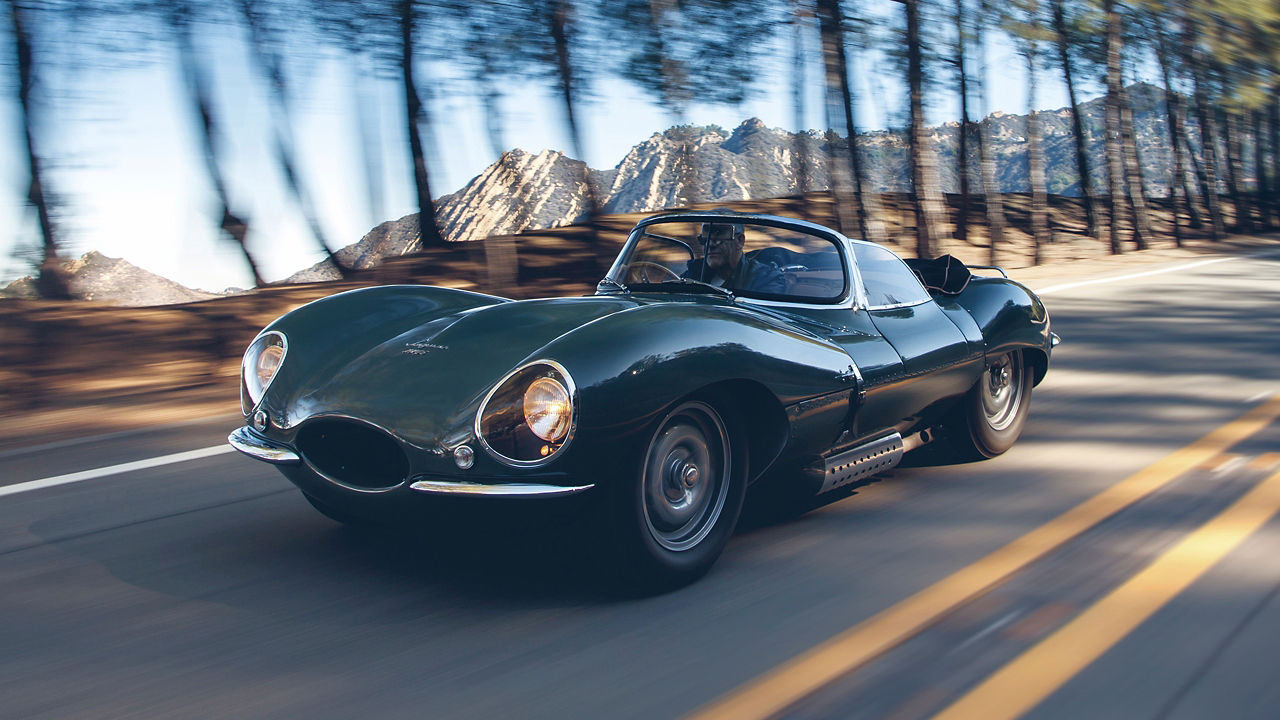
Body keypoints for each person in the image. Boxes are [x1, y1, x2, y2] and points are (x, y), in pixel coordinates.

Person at [682, 221, 786, 294]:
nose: (710, 244)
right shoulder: (694, 274)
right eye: (705, 237)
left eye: (720, 235)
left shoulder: (765, 279)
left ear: (740, 241)